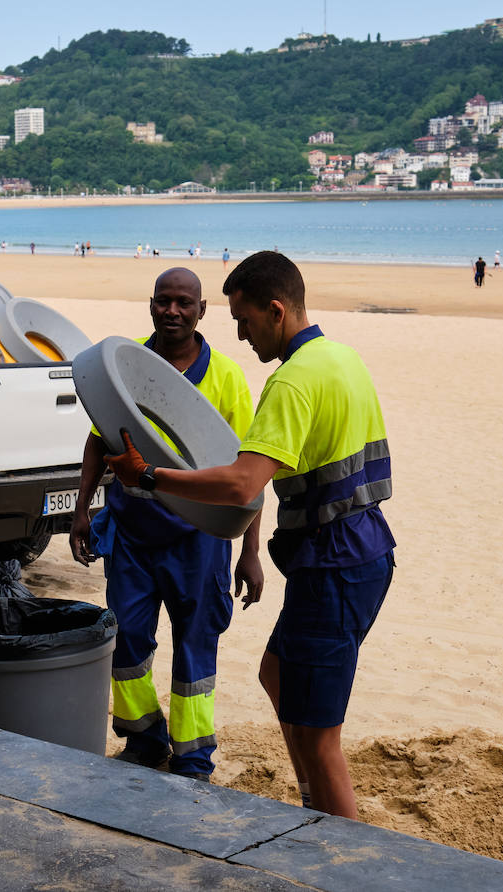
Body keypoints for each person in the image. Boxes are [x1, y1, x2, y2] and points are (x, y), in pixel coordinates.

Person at [103, 252, 394, 819]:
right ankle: (314, 807)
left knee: (318, 736)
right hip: (362, 545)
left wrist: (150, 476)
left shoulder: (290, 382)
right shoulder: (343, 358)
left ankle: (343, 844)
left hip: (335, 561)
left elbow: (242, 485)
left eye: (245, 320)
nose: (241, 334)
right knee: (275, 673)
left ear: (277, 310)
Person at [71, 267, 264, 783]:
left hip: (198, 539)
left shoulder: (224, 377)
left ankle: (193, 757)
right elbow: (99, 441)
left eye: (184, 303)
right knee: (127, 640)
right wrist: (82, 507)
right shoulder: (126, 365)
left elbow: (250, 472)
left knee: (195, 647)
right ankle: (145, 738)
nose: (172, 311)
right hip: (132, 531)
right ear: (151, 304)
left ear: (203, 311)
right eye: (163, 301)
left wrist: (250, 551)